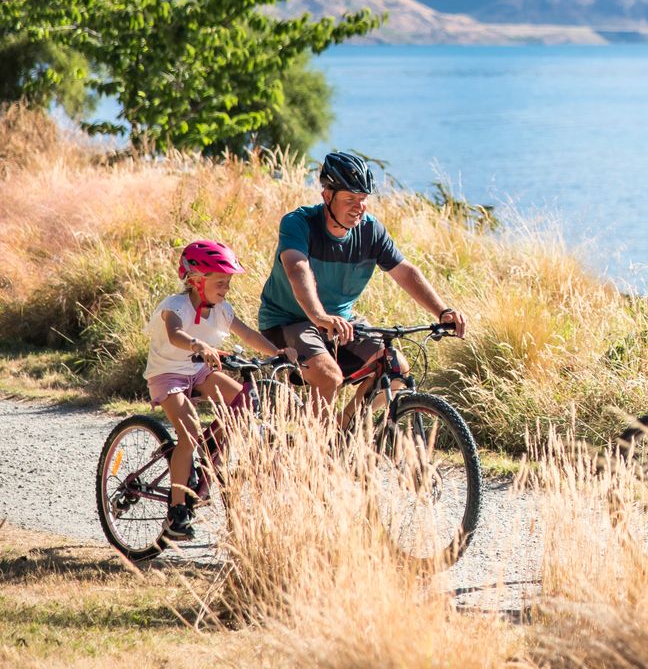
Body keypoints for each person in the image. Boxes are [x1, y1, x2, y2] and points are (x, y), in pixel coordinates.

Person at [256, 151, 466, 412]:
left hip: (340, 324)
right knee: (328, 376)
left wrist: (442, 311)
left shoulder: (370, 230)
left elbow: (404, 271)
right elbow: (297, 269)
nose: (359, 207)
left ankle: (345, 434)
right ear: (327, 196)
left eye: (363, 199)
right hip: (287, 322)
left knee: (396, 367)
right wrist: (319, 316)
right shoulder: (299, 223)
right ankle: (315, 449)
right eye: (350, 199)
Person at [143, 240, 283, 543]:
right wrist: (198, 345)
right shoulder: (174, 307)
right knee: (189, 433)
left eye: (228, 282)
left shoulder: (222, 310)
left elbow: (247, 335)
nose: (226, 288)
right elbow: (176, 334)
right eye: (221, 282)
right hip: (168, 375)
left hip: (199, 371)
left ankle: (206, 459)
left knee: (243, 403)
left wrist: (279, 353)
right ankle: (177, 513)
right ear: (196, 281)